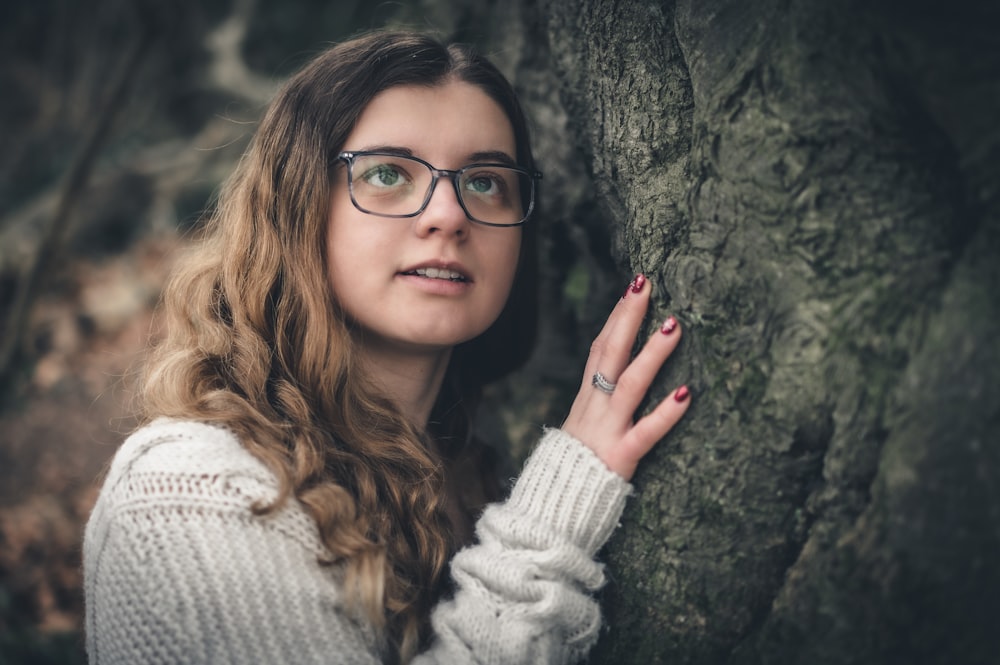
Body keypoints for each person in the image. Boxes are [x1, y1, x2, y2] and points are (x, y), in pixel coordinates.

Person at [83, 30, 691, 665]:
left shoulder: (468, 483)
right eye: (386, 174)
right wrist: (556, 517)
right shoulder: (194, 491)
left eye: (486, 182)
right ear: (298, 206)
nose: (449, 214)